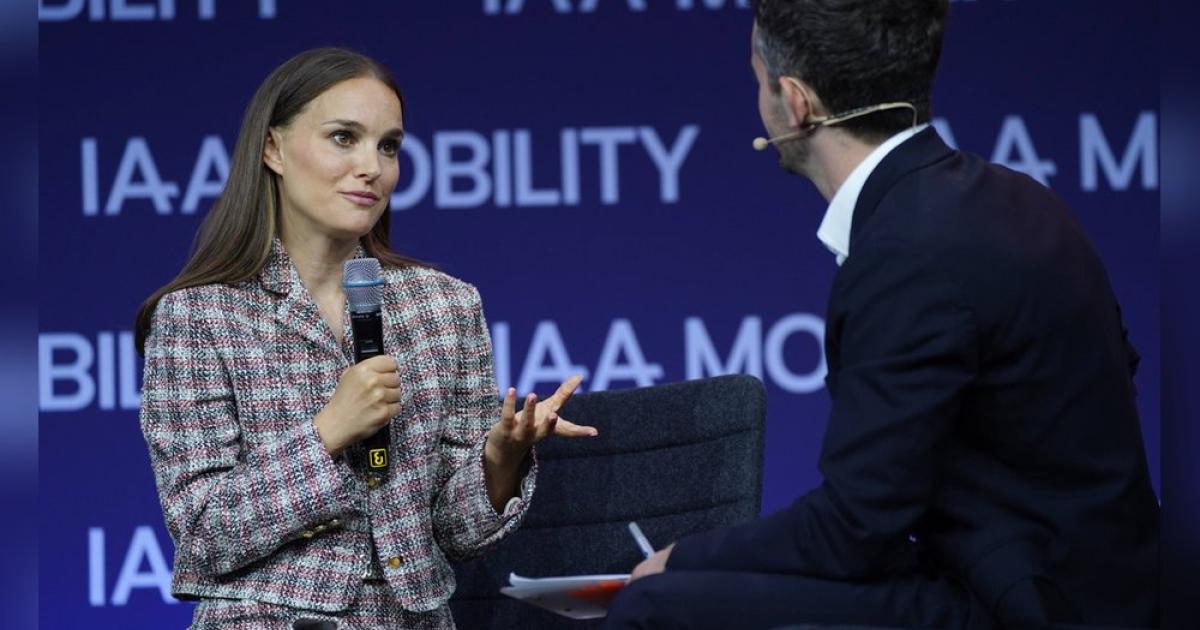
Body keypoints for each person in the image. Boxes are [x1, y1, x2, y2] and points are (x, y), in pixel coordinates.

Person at [604, 2, 1160, 628]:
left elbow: (853, 530)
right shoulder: (1018, 197)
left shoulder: (906, 253)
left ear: (794, 102)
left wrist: (681, 562)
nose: (756, 94)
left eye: (756, 76)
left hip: (1022, 604)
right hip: (1089, 581)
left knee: (651, 607)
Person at [135, 47, 595, 630]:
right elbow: (206, 534)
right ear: (273, 148)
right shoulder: (197, 319)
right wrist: (329, 431)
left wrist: (499, 461)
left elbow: (457, 535)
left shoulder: (445, 305)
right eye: (343, 137)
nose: (372, 167)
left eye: (389, 146)